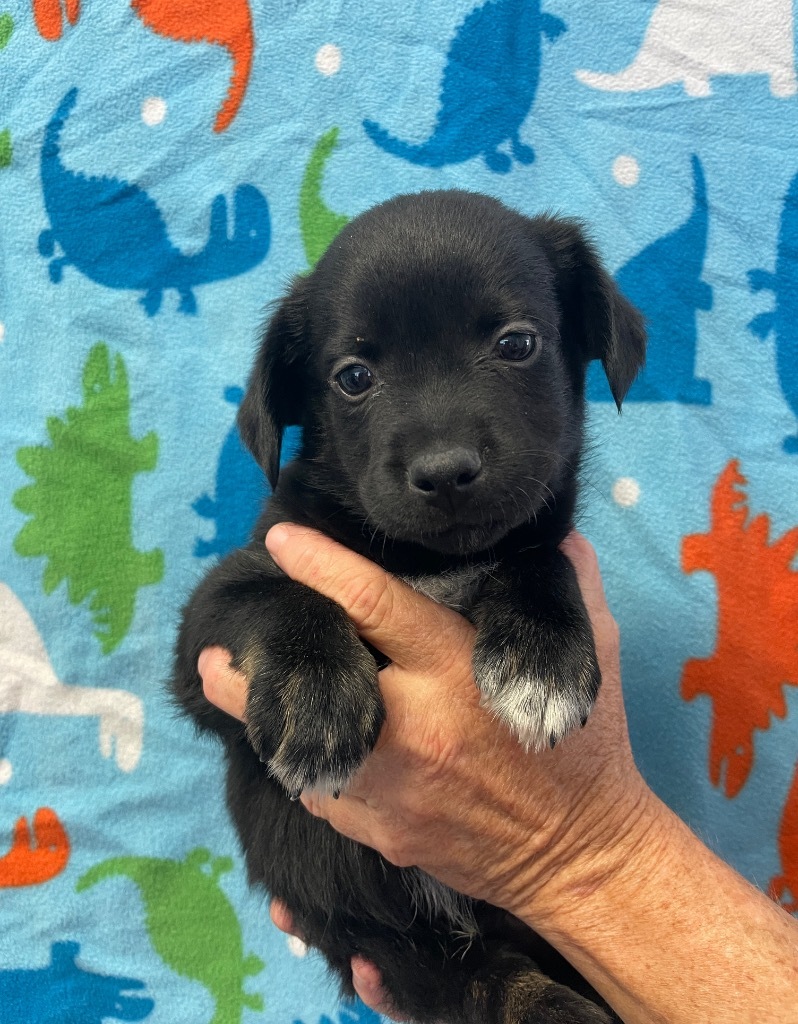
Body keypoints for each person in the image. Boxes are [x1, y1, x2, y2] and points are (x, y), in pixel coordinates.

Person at [198, 524, 798, 1024]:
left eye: (515, 368)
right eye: (355, 376)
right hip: (389, 930)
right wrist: (297, 637)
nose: (446, 454)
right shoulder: (302, 536)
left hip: (551, 941)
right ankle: (492, 993)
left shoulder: (533, 551)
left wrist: (584, 850)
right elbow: (205, 669)